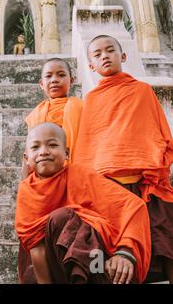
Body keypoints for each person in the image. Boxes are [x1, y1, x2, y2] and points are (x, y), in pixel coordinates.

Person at [74, 34, 173, 283]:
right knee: (108, 254)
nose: (104, 56)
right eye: (97, 54)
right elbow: (88, 144)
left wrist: (153, 166)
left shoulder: (141, 90)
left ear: (123, 56)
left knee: (164, 242)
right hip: (108, 189)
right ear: (90, 66)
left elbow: (157, 133)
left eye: (110, 50)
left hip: (143, 182)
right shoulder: (92, 100)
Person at [15, 122, 151, 284]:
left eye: (52, 145)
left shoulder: (80, 175)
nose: (44, 152)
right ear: (26, 158)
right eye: (35, 147)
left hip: (97, 265)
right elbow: (35, 246)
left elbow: (133, 206)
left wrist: (124, 252)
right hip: (55, 271)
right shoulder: (27, 190)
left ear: (66, 153)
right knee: (47, 230)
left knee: (61, 217)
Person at [23, 57, 82, 178]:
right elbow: (30, 151)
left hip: (76, 173)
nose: (54, 80)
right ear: (41, 84)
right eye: (48, 76)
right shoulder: (36, 114)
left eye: (61, 75)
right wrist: (25, 183)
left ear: (71, 81)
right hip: (44, 175)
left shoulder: (82, 108)